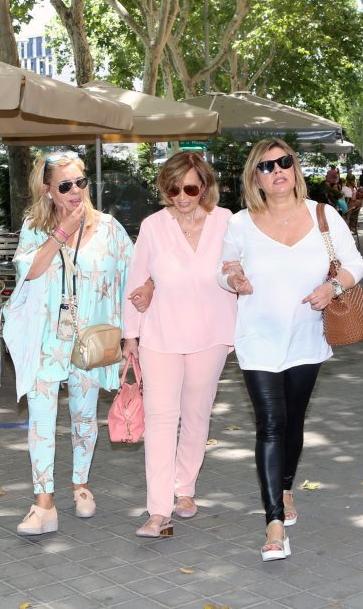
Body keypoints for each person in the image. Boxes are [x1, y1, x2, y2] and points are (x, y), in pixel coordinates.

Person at [217, 138, 363, 562]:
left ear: (295, 169)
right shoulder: (241, 223)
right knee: (270, 423)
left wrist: (332, 287)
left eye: (284, 162)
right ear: (255, 177)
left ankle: (284, 486)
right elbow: (225, 270)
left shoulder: (324, 215)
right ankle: (274, 522)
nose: (277, 170)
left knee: (293, 420)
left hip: (306, 338)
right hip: (257, 339)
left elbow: (356, 263)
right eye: (267, 166)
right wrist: (234, 281)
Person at [3, 151, 135, 535]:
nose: (76, 191)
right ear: (48, 191)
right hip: (47, 339)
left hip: (90, 341)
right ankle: (43, 503)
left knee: (83, 416)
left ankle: (81, 486)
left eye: (81, 182)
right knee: (41, 421)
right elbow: (28, 271)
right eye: (65, 185)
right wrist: (61, 233)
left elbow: (132, 275)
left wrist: (132, 334)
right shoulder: (34, 226)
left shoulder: (109, 227)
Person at [122, 152, 237, 538]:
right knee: (159, 418)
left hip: (212, 334)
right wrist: (130, 335)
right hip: (161, 334)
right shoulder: (153, 227)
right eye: (173, 189)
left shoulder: (227, 222)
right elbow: (136, 282)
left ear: (204, 186)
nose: (182, 197)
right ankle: (158, 510)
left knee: (196, 414)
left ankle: (184, 488)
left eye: (190, 188)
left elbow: (242, 273)